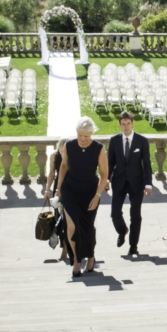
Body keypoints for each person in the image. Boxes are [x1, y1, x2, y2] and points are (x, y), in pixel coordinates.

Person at [53, 117, 108, 278]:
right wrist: (58, 189)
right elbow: (63, 166)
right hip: (70, 190)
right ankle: (76, 260)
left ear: (91, 135)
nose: (83, 140)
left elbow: (104, 174)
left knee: (87, 227)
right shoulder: (69, 146)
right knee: (71, 226)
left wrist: (97, 195)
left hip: (90, 192)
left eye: (86, 137)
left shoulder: (98, 148)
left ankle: (90, 256)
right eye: (80, 136)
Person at [107, 110, 153, 256]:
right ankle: (122, 231)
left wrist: (148, 184)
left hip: (137, 183)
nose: (126, 127)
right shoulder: (114, 141)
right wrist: (106, 180)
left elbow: (146, 164)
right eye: (123, 124)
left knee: (135, 215)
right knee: (115, 213)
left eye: (128, 123)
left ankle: (133, 246)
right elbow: (110, 162)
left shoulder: (142, 141)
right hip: (119, 181)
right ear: (119, 125)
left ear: (132, 123)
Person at [45, 137, 74, 266]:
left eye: (66, 151)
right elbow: (51, 173)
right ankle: (64, 248)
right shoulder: (54, 157)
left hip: (71, 187)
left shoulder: (74, 156)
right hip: (58, 188)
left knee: (69, 220)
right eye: (62, 151)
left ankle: (70, 248)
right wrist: (47, 190)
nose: (64, 154)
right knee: (59, 220)